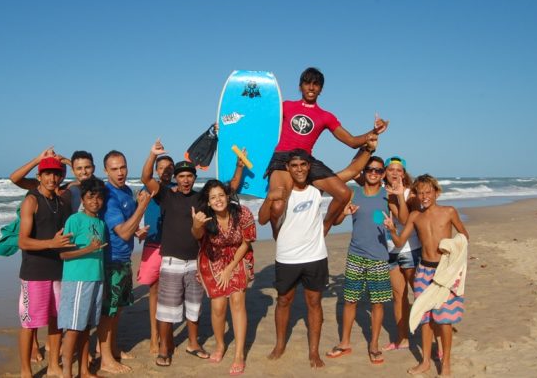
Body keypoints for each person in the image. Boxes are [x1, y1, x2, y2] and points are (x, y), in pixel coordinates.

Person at [259, 138, 377, 368]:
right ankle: (280, 344)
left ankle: (314, 351)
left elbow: (353, 170)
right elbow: (263, 220)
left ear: (309, 167)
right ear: (287, 168)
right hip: (287, 256)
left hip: (315, 256)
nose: (300, 169)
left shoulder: (317, 189)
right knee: (283, 301)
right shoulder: (282, 193)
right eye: (295, 165)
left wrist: (369, 146)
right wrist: (268, 199)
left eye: (303, 165)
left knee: (314, 303)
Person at [141, 139, 243, 367]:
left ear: (194, 178)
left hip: (197, 261)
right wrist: (151, 155)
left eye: (189, 176)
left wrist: (239, 167)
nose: (185, 180)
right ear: (176, 178)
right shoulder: (167, 195)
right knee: (167, 309)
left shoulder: (201, 198)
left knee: (194, 307)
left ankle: (193, 343)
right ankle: (166, 348)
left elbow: (229, 189)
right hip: (171, 260)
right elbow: (146, 179)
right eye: (181, 176)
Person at [262, 67, 388, 237]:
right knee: (277, 205)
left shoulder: (325, 116)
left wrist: (373, 131)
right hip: (282, 157)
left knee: (343, 194)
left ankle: (323, 228)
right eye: (307, 83)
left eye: (316, 84)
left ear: (321, 89)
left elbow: (351, 141)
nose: (311, 88)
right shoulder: (286, 106)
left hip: (307, 158)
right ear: (300, 86)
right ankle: (278, 236)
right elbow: (259, 120)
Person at [384, 174, 469, 377]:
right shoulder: (415, 216)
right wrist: (393, 229)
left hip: (445, 271)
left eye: (428, 192)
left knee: (444, 320)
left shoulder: (449, 212)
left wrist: (453, 252)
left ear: (436, 192)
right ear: (415, 193)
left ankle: (445, 364)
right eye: (420, 192)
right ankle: (425, 362)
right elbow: (398, 243)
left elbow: (464, 235)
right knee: (425, 317)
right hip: (423, 271)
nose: (424, 196)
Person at [326, 156, 393, 365]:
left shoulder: (388, 196)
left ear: (383, 174)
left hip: (379, 257)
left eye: (378, 170)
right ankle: (344, 342)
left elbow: (404, 217)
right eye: (370, 169)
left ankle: (373, 345)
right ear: (363, 172)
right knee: (350, 300)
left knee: (377, 303)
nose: (373, 173)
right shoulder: (353, 193)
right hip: (355, 254)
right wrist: (344, 213)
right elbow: (335, 221)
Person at [17, 157, 75, 378]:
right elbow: (23, 241)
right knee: (30, 323)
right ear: (39, 177)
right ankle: (25, 371)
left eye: (57, 173)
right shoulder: (32, 200)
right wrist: (51, 243)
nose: (52, 178)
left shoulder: (63, 203)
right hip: (34, 273)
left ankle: (53, 365)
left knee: (56, 320)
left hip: (59, 270)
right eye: (47, 173)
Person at [192, 178, 255, 376]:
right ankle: (220, 346)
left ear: (227, 196)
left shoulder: (242, 212)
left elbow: (246, 243)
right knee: (218, 306)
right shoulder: (205, 217)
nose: (218, 200)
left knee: (237, 301)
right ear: (208, 202)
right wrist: (195, 224)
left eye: (221, 195)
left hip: (237, 257)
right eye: (213, 197)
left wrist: (230, 269)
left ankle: (238, 355)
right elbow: (196, 236)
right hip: (212, 258)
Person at [98, 150, 151, 374]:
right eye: (114, 169)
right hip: (110, 261)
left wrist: (138, 230)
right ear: (106, 171)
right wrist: (142, 207)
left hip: (123, 259)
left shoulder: (126, 190)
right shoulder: (108, 196)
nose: (120, 173)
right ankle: (105, 359)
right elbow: (122, 232)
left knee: (117, 310)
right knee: (108, 313)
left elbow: (129, 227)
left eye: (123, 167)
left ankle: (113, 349)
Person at [57, 177, 108, 378]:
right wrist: (88, 249)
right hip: (77, 280)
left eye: (99, 197)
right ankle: (66, 373)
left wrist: (101, 281)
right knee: (73, 329)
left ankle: (84, 371)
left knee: (86, 327)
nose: (95, 201)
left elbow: (100, 255)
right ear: (83, 199)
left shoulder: (100, 223)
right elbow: (63, 254)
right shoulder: (74, 220)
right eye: (90, 197)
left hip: (95, 280)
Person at [380, 156, 421, 351]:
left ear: (404, 174)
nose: (395, 173)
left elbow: (404, 220)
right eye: (391, 170)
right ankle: (403, 338)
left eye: (399, 170)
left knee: (420, 295)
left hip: (411, 250)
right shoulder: (381, 193)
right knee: (399, 297)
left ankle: (436, 336)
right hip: (391, 251)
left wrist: (397, 196)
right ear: (385, 173)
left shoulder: (410, 194)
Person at [136, 155, 175, 354]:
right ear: (156, 170)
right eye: (161, 167)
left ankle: (167, 334)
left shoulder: (179, 189)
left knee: (172, 293)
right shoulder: (149, 188)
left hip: (174, 246)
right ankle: (154, 335)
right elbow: (135, 214)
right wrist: (137, 231)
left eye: (169, 167)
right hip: (153, 244)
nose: (165, 170)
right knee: (154, 291)